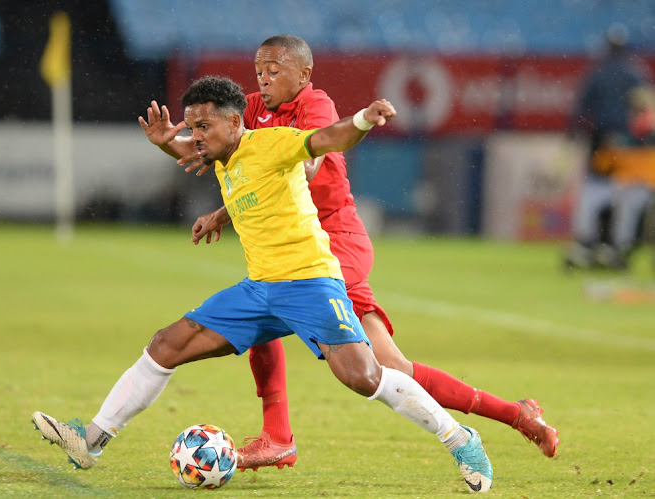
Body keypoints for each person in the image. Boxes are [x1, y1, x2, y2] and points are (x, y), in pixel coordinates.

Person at [33, 75, 494, 493]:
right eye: (191, 127)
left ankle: (460, 438)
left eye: (204, 127)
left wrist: (363, 119)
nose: (196, 137)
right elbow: (193, 153)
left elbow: (326, 138)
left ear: (236, 122)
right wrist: (163, 143)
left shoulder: (272, 145)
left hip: (312, 282)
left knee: (364, 377)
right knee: (166, 343)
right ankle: (90, 441)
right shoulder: (221, 154)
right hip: (260, 291)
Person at [144, 34, 559, 470]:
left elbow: (304, 164)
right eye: (259, 71)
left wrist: (260, 177)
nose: (263, 79)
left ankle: (277, 437)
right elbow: (222, 157)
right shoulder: (249, 108)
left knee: (266, 305)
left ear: (303, 74)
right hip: (298, 241)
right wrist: (178, 156)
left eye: (274, 71)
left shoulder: (315, 105)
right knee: (392, 366)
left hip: (334, 238)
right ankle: (517, 414)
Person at [564, 24, 652, 270]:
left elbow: (582, 110)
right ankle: (614, 248)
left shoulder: (598, 72)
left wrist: (574, 133)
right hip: (630, 148)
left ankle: (588, 244)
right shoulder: (636, 73)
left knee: (594, 195)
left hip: (605, 144)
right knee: (627, 199)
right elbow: (646, 112)